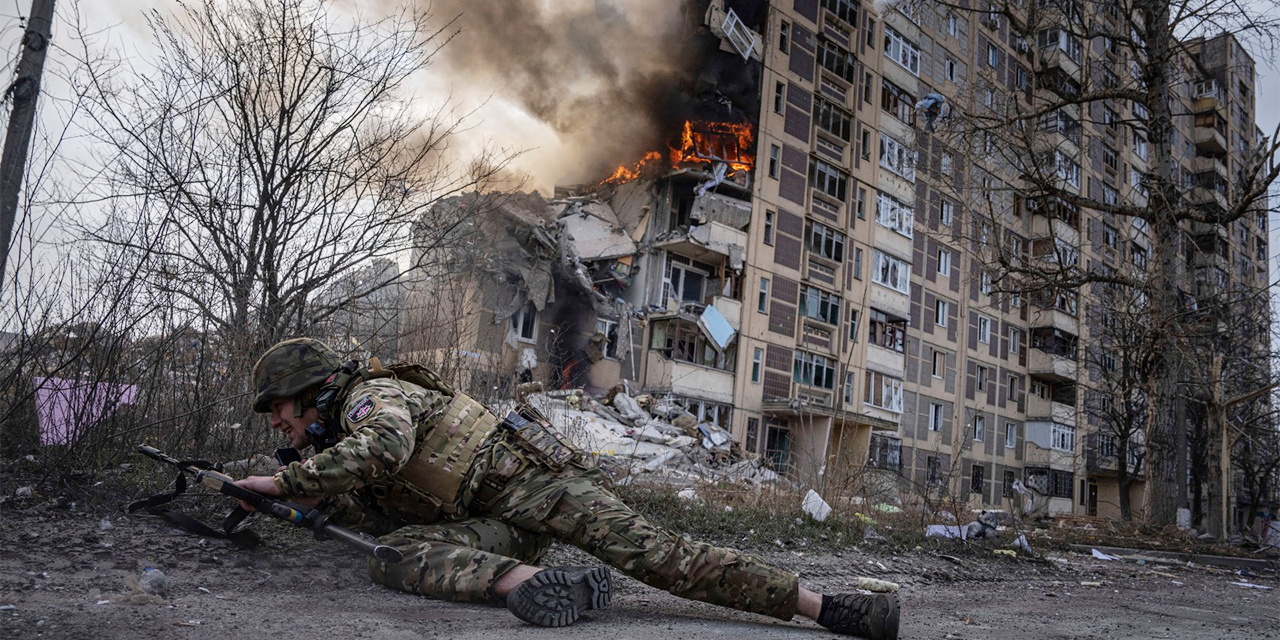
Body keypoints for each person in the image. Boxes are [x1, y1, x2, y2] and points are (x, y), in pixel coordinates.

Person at [233, 338, 900, 639]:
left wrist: (285, 479)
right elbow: (385, 503)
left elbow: (388, 445)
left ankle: (827, 608)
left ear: (312, 392)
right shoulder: (337, 436)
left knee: (662, 559)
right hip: (498, 528)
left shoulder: (368, 400)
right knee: (393, 554)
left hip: (541, 488)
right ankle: (528, 584)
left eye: (280, 408)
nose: (278, 422)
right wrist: (301, 499)